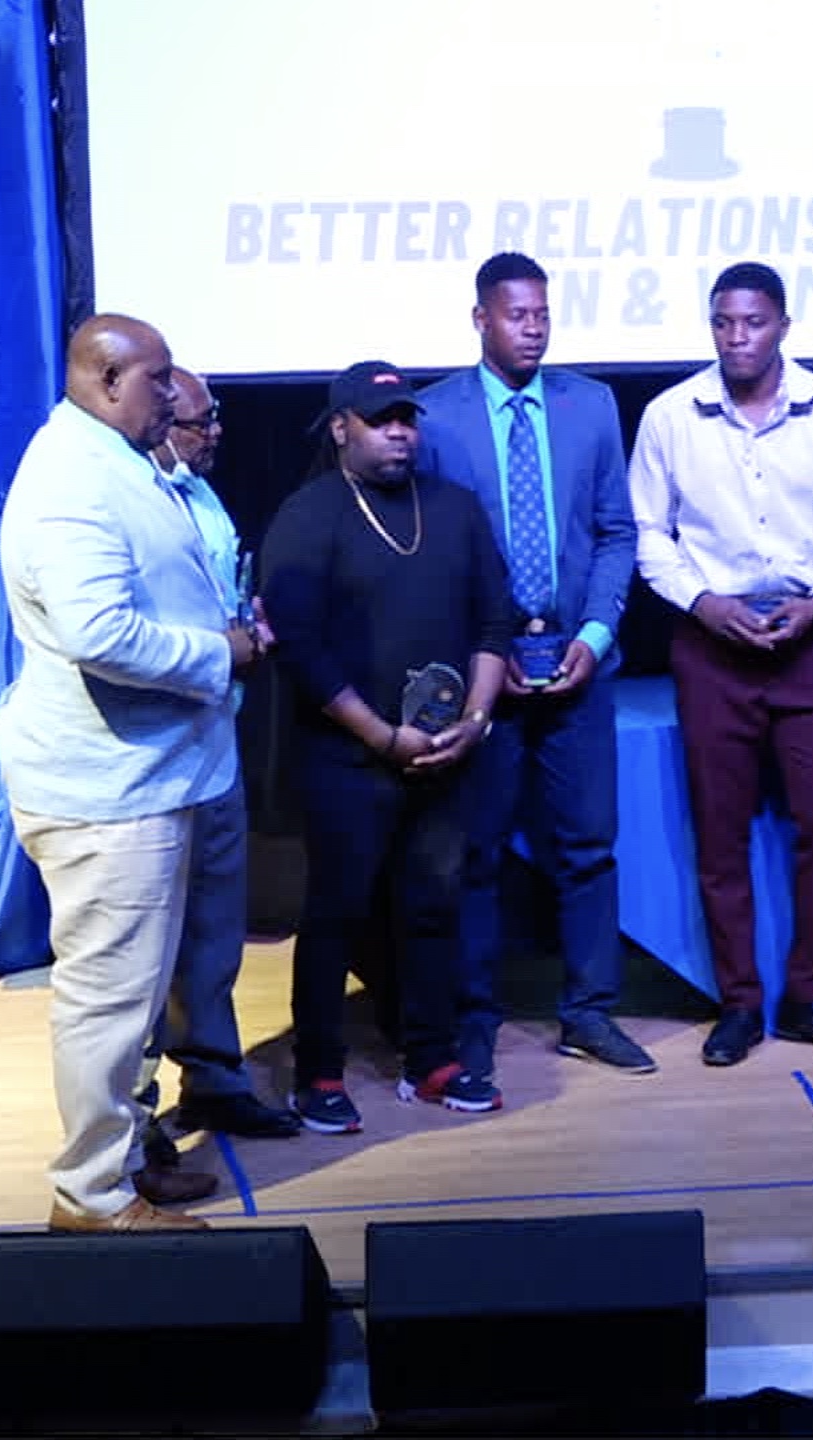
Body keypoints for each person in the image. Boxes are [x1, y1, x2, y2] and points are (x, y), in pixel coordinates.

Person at [0, 315, 259, 1230]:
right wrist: (218, 652)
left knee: (138, 996)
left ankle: (125, 1159)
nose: (172, 394)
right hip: (107, 792)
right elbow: (97, 633)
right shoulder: (71, 478)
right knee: (109, 1002)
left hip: (151, 775)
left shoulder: (115, 456)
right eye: (157, 379)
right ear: (107, 380)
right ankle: (93, 1197)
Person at [628, 262, 813, 1067]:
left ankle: (809, 994)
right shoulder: (672, 416)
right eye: (722, 323)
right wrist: (704, 603)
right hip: (714, 642)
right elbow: (650, 533)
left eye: (752, 322)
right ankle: (741, 1003)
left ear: (783, 324)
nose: (736, 338)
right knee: (719, 832)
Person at [416, 253, 654, 1082]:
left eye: (544, 313)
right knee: (476, 853)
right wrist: (491, 652)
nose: (535, 326)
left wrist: (593, 630)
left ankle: (589, 1011)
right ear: (480, 318)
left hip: (580, 663)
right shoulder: (435, 415)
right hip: (488, 671)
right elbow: (435, 553)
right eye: (517, 314)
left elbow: (617, 532)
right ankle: (474, 1018)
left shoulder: (590, 405)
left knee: (588, 845)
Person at [260, 361, 512, 1132]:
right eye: (380, 418)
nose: (400, 429)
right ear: (341, 428)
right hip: (347, 757)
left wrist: (471, 720)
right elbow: (298, 647)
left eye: (406, 416)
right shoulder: (310, 515)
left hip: (442, 754)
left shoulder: (457, 510)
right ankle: (319, 1072)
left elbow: (493, 624)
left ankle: (431, 1057)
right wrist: (380, 734)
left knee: (434, 905)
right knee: (337, 914)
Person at [132, 370, 306, 1163]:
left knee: (212, 925)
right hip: (151, 755)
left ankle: (213, 1075)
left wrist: (248, 623)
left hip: (216, 740)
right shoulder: (130, 499)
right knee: (145, 945)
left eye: (218, 419)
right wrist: (222, 649)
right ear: (161, 421)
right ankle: (132, 1126)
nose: (216, 435)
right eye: (201, 424)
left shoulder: (202, 495)